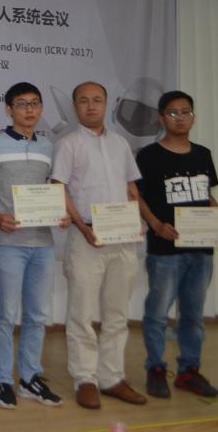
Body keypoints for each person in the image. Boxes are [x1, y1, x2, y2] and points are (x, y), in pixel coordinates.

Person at [52, 81, 147, 410]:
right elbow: (60, 189)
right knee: (82, 313)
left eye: (96, 100)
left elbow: (131, 189)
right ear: (75, 106)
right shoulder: (68, 144)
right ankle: (85, 379)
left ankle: (112, 377)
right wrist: (82, 227)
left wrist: (138, 221)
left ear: (106, 104)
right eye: (83, 101)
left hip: (123, 239)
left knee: (117, 312)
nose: (91, 106)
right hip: (86, 237)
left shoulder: (121, 144)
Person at [136, 90, 218, 399]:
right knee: (157, 314)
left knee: (193, 316)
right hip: (165, 250)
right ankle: (155, 369)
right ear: (161, 118)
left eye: (186, 112)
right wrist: (155, 225)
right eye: (173, 113)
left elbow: (205, 195)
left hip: (201, 249)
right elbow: (136, 196)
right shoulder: (148, 155)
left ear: (193, 117)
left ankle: (189, 371)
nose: (180, 118)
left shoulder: (202, 154)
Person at [0, 82, 69, 410]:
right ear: (8, 109)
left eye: (34, 104)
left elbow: (52, 191)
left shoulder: (48, 147)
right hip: (8, 243)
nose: (29, 110)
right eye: (21, 104)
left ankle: (30, 378)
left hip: (43, 243)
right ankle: (2, 380)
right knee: (6, 314)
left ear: (41, 108)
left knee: (38, 314)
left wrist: (62, 214)